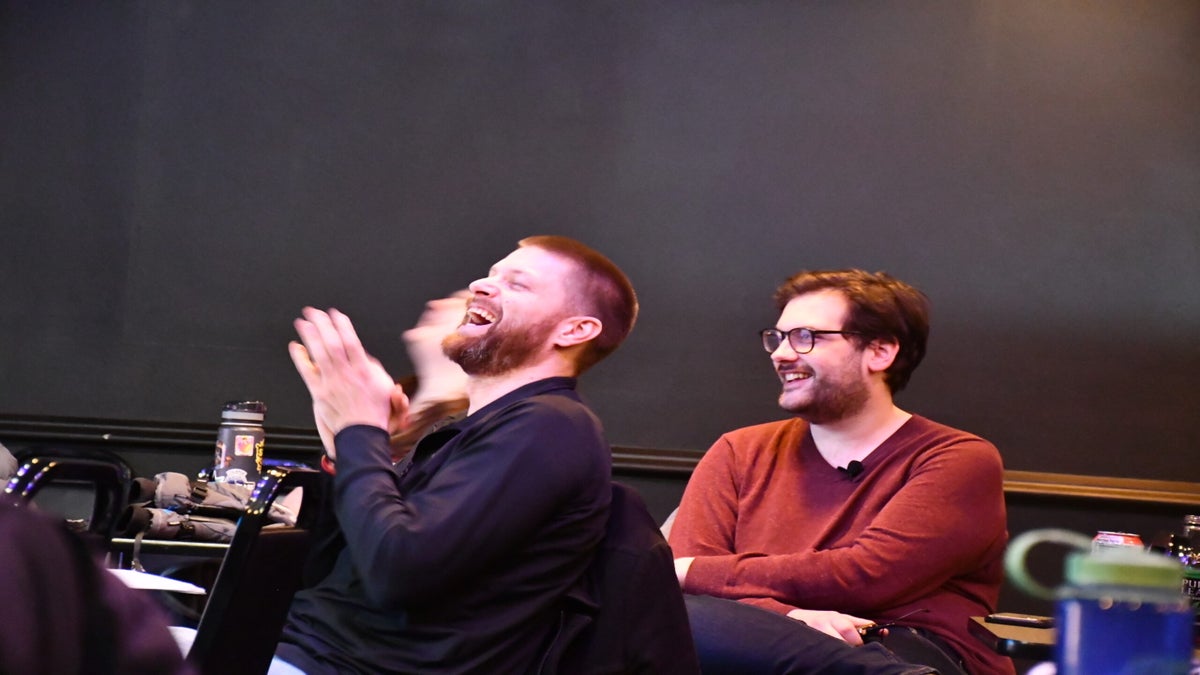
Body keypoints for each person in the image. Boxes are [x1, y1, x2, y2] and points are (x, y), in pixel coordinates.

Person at [273, 235, 641, 674]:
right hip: (292, 649)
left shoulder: (552, 426)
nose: (480, 285)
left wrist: (361, 433)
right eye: (491, 275)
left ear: (575, 330)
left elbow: (398, 573)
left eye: (518, 284)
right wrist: (346, 451)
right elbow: (330, 578)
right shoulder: (470, 430)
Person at [668, 269, 1013, 675]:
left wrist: (694, 571)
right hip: (750, 645)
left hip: (902, 645)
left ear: (880, 352)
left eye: (805, 336)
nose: (780, 353)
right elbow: (685, 587)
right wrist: (790, 618)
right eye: (777, 338)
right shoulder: (738, 450)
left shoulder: (957, 458)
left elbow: (866, 575)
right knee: (681, 619)